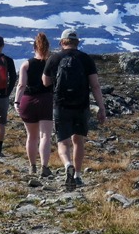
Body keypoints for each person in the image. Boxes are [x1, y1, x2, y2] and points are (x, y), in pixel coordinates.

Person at [42, 28, 107, 191]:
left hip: (61, 105)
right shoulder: (85, 59)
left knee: (63, 142)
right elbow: (95, 85)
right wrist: (101, 107)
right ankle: (77, 175)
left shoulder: (54, 58)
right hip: (81, 105)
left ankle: (67, 165)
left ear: (62, 42)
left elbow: (45, 82)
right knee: (78, 140)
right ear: (77, 42)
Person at [15, 31, 55, 177]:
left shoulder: (26, 64)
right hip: (47, 100)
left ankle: (32, 166)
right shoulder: (51, 63)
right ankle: (44, 167)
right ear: (48, 47)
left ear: (34, 48)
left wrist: (16, 101)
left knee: (31, 136)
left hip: (28, 101)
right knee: (45, 136)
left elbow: (21, 85)